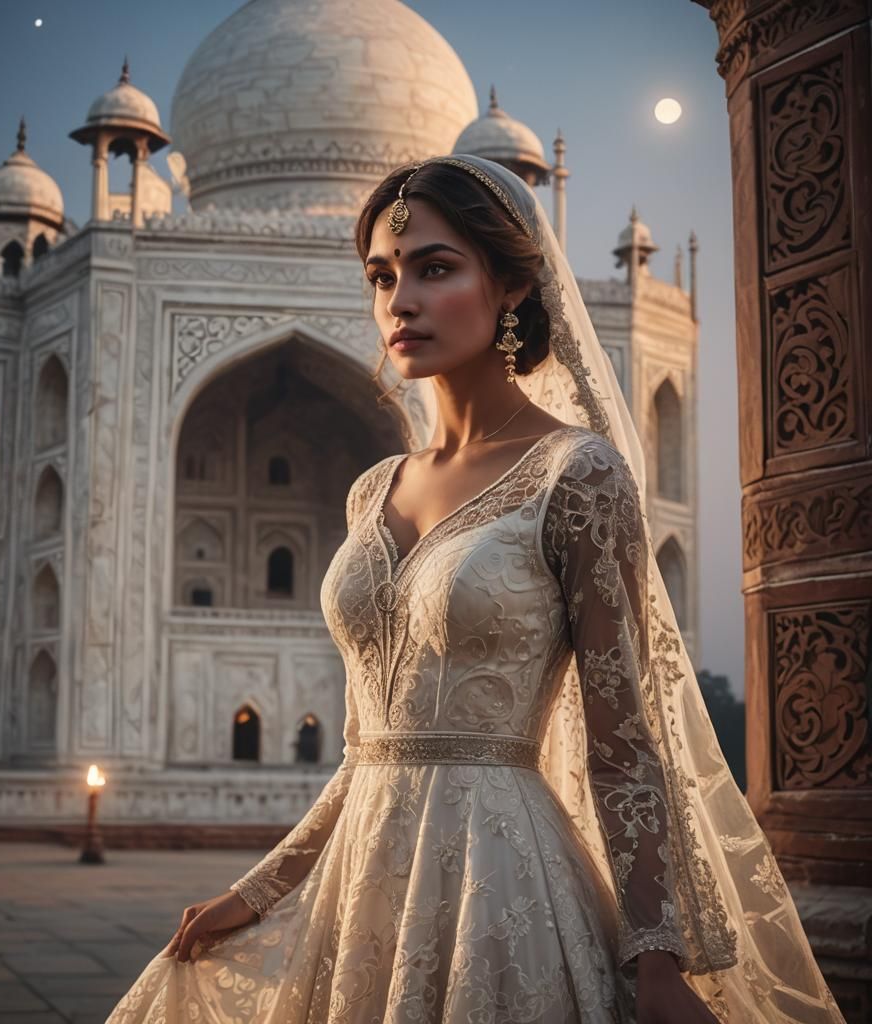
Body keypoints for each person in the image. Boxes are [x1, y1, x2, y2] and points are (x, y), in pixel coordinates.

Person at [106, 156, 845, 1023]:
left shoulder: (577, 474)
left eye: (435, 268)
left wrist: (656, 955)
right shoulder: (374, 489)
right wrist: (259, 890)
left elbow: (623, 745)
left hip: (501, 885)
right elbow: (368, 752)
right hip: (360, 889)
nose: (400, 302)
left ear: (512, 286)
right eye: (382, 277)